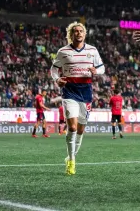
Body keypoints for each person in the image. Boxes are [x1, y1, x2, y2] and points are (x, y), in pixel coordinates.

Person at [50, 22, 105, 175]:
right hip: (69, 92)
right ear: (71, 34)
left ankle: (70, 157)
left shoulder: (92, 50)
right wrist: (57, 80)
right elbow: (53, 69)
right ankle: (72, 163)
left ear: (85, 34)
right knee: (72, 127)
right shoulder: (63, 51)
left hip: (86, 93)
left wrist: (97, 71)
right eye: (75, 31)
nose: (79, 33)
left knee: (80, 130)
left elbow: (102, 68)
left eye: (81, 31)